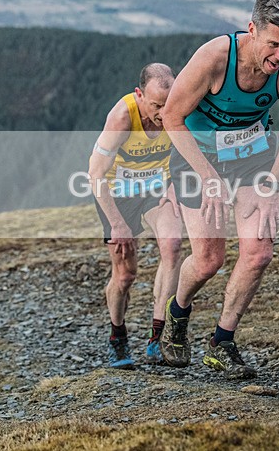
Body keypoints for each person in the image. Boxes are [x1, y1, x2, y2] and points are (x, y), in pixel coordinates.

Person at [160, 0, 279, 379]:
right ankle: (178, 313)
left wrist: (272, 183)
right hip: (199, 158)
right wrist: (208, 178)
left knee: (259, 253)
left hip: (252, 158)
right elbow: (172, 118)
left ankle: (221, 341)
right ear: (252, 29)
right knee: (209, 260)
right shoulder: (214, 57)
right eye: (274, 44)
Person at [88, 63, 184, 369]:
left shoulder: (177, 108)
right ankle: (117, 335)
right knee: (125, 275)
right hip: (117, 194)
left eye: (167, 105)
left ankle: (157, 339)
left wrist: (175, 188)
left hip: (156, 188)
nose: (162, 113)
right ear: (139, 94)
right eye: (156, 105)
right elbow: (95, 174)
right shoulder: (122, 117)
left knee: (172, 246)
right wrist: (117, 224)